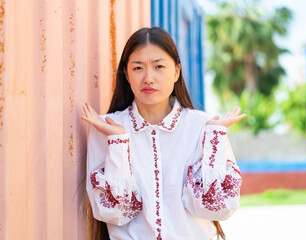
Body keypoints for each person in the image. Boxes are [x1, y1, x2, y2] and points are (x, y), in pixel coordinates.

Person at [81, 27, 246, 240]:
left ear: (176, 71)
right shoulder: (107, 128)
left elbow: (217, 209)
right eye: (138, 68)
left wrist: (214, 139)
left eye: (159, 66)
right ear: (126, 74)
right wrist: (119, 142)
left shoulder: (204, 126)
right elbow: (115, 214)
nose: (148, 78)